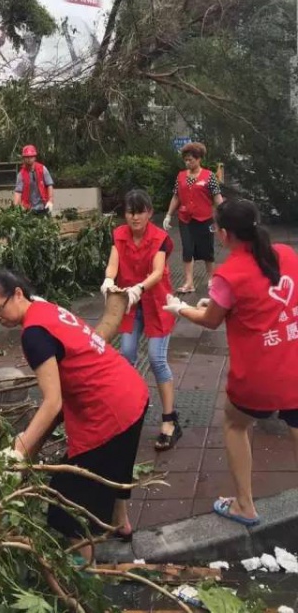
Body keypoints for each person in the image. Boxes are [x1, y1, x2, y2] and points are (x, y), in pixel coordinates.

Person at [0, 270, 149, 557]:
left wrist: (18, 452)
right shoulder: (46, 308)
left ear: (18, 294)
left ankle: (84, 575)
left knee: (68, 505)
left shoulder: (33, 335)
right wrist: (31, 441)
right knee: (114, 471)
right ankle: (122, 526)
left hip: (110, 410)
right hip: (132, 393)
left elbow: (53, 402)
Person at [163, 199, 298, 526]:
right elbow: (261, 298)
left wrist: (180, 308)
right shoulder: (286, 254)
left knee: (235, 424)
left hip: (257, 378)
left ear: (223, 234)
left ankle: (245, 505)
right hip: (293, 366)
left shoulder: (229, 274)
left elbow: (210, 320)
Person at [101, 190, 181, 450]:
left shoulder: (160, 239)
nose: (135, 217)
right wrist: (109, 280)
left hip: (156, 302)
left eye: (140, 211)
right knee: (126, 355)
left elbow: (158, 272)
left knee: (157, 359)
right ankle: (126, 412)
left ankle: (170, 420)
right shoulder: (120, 235)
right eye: (130, 212)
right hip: (130, 304)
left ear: (149, 213)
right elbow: (113, 263)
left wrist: (139, 288)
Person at [163, 142, 223, 294]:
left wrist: (224, 216)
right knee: (187, 249)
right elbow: (176, 196)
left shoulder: (209, 176)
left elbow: (217, 197)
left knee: (207, 249)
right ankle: (189, 282)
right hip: (185, 219)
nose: (188, 162)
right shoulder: (181, 176)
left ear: (199, 159)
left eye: (191, 159)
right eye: (186, 160)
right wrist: (168, 215)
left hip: (205, 219)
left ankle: (211, 279)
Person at [13, 145, 54, 215]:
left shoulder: (43, 169)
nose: (29, 159)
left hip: (43, 206)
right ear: (23, 158)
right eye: (27, 157)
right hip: (28, 209)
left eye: (31, 157)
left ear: (35, 157)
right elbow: (18, 192)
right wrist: (15, 208)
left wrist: (50, 201)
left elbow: (49, 185)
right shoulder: (21, 175)